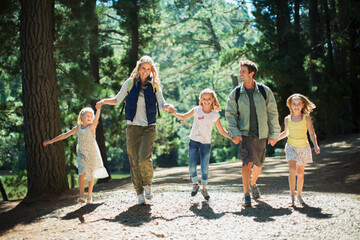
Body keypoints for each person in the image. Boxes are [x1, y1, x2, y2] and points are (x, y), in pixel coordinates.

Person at [96, 55, 176, 205]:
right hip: (132, 126)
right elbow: (117, 100)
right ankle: (139, 192)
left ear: (152, 70)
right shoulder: (130, 83)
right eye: (143, 68)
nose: (145, 71)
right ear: (138, 68)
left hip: (149, 127)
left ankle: (148, 184)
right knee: (134, 160)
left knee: (144, 158)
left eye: (148, 69)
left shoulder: (155, 85)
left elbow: (162, 103)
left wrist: (169, 107)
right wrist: (103, 101)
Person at [225, 59, 280, 207]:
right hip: (245, 134)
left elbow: (273, 113)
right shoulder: (236, 93)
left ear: (252, 73)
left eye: (243, 71)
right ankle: (246, 194)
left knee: (259, 163)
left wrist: (275, 134)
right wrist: (234, 132)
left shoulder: (264, 91)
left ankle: (253, 183)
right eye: (240, 71)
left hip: (262, 133)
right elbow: (230, 114)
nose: (240, 74)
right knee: (246, 163)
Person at [172, 88, 230, 201]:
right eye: (204, 99)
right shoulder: (196, 110)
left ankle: (204, 188)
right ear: (201, 99)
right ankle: (195, 184)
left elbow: (222, 131)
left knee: (205, 168)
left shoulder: (215, 115)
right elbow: (183, 117)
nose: (206, 101)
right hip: (193, 142)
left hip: (206, 144)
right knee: (192, 166)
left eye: (209, 99)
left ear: (213, 100)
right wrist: (174, 113)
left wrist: (232, 137)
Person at [43, 105, 109, 204]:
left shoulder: (92, 127)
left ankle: (89, 196)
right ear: (81, 117)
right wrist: (51, 141)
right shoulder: (78, 128)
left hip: (92, 154)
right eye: (87, 115)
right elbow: (65, 135)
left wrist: (98, 110)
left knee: (91, 176)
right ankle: (82, 195)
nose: (90, 118)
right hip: (81, 154)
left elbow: (97, 120)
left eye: (91, 116)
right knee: (81, 172)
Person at [275, 93, 320, 205]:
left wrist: (316, 144)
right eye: (294, 104)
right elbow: (286, 133)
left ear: (302, 105)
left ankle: (299, 195)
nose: (296, 106)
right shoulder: (287, 119)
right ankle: (291, 196)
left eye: (299, 104)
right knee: (292, 169)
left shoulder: (306, 118)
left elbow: (312, 133)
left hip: (303, 147)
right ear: (290, 105)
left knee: (300, 173)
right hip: (291, 147)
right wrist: (275, 139)